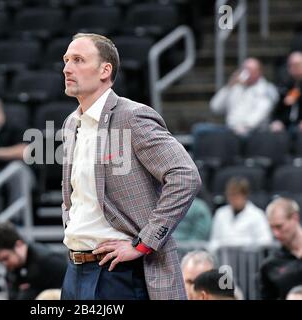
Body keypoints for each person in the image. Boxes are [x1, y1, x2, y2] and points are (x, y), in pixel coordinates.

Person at [60, 33, 201, 300]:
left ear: (105, 70)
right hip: (75, 270)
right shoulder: (71, 123)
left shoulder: (132, 116)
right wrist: (71, 226)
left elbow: (185, 175)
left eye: (78, 60)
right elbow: (73, 195)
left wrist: (145, 243)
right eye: (66, 60)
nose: (67, 68)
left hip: (119, 272)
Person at [0, 222, 67, 300]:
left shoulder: (48, 261)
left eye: (5, 258)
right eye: (0, 261)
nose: (5, 264)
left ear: (18, 245)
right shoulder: (12, 270)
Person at [210, 58, 278, 136]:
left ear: (259, 72)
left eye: (250, 70)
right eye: (244, 69)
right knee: (202, 130)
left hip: (254, 132)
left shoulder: (267, 89)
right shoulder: (235, 87)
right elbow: (215, 107)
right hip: (230, 129)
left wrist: (244, 126)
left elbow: (259, 114)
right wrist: (229, 86)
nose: (246, 72)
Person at [210, 177, 273, 249]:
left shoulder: (257, 215)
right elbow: (214, 241)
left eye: (236, 195)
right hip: (224, 258)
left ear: (245, 195)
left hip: (250, 259)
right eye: (230, 195)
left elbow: (266, 241)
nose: (232, 199)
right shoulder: (220, 213)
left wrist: (243, 246)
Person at [260, 197, 302, 300]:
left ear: (295, 218)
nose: (276, 234)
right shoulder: (270, 265)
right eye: (272, 228)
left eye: (279, 226)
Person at [270, 52, 302, 133]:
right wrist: (277, 121)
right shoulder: (285, 85)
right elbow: (276, 110)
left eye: (297, 65)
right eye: (291, 65)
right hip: (287, 125)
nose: (294, 68)